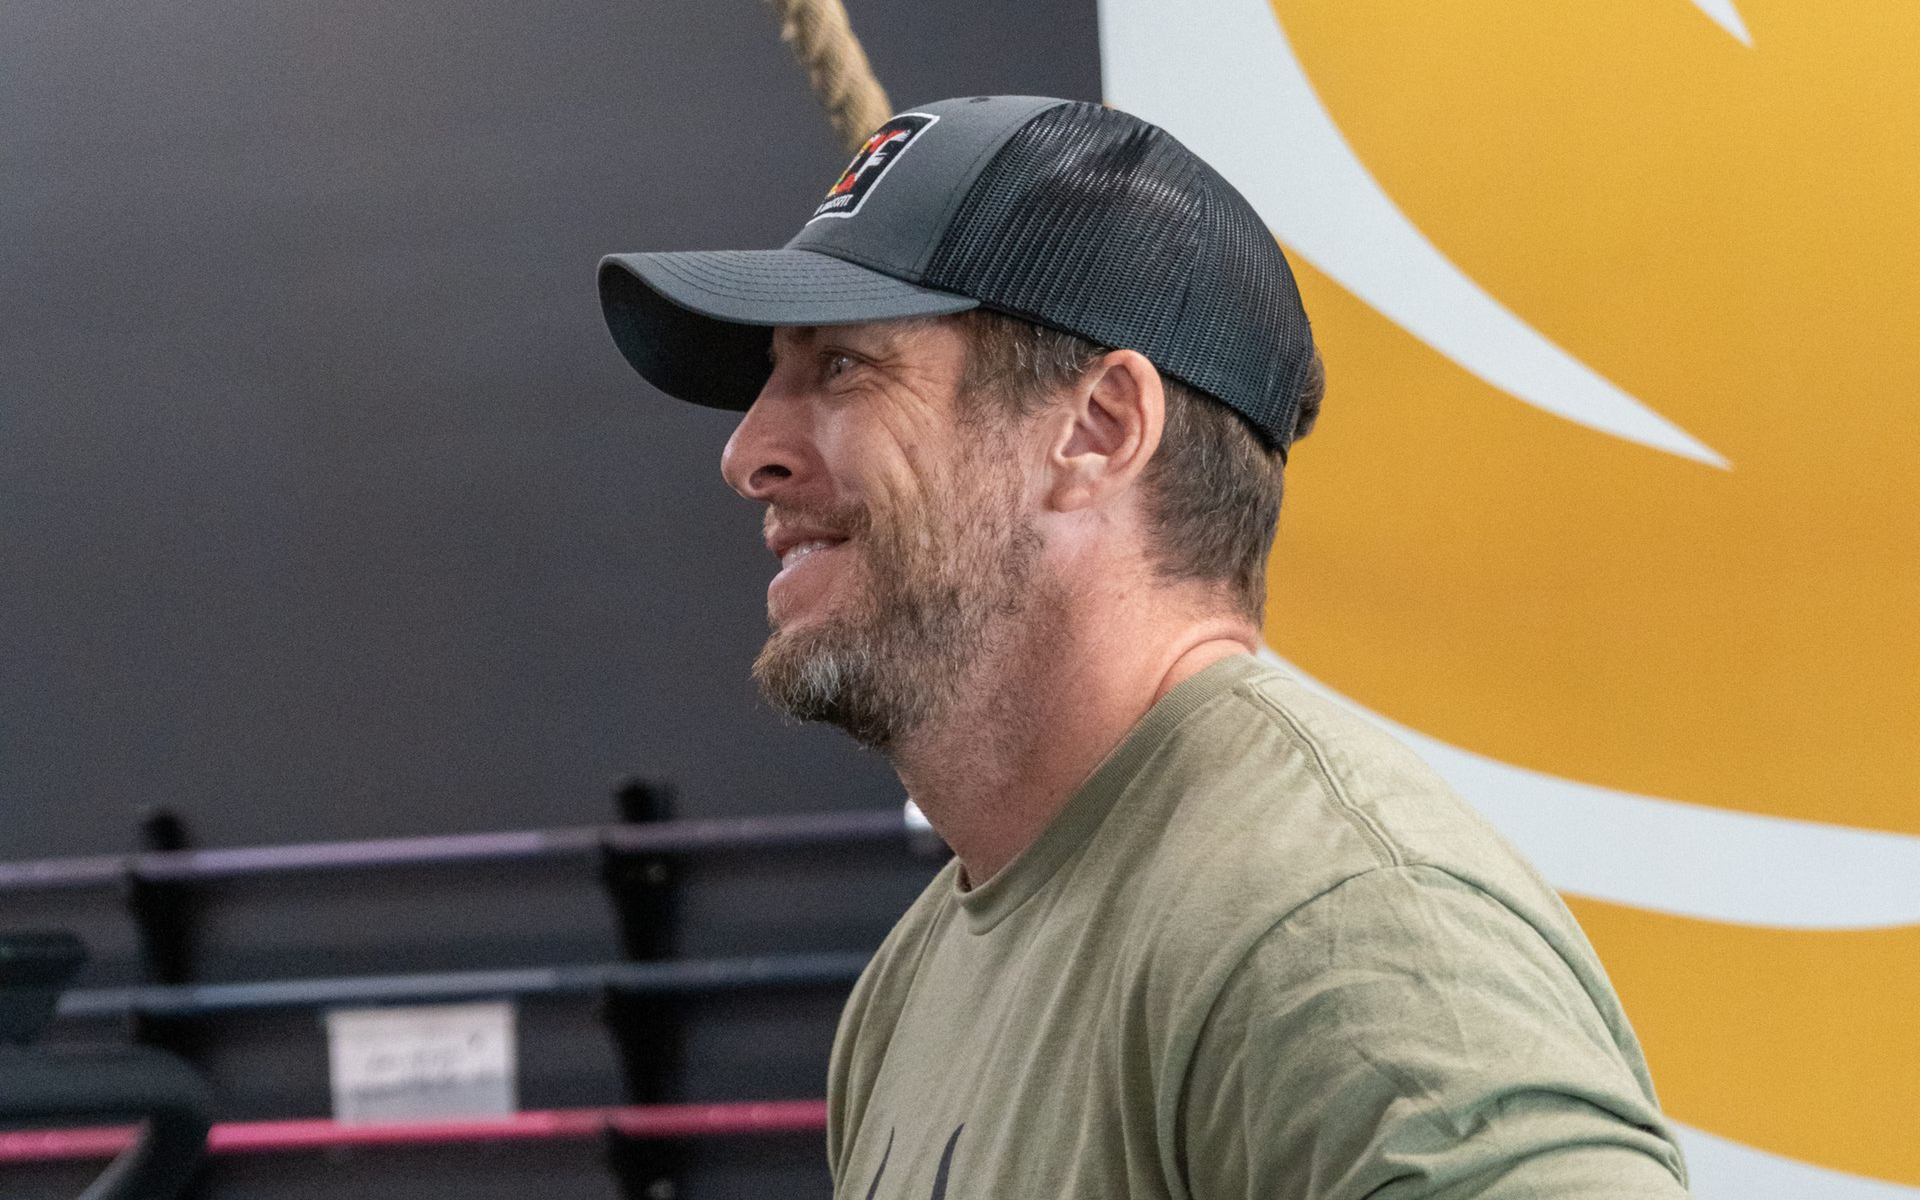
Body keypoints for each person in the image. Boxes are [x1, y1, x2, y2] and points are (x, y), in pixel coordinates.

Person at [598, 96, 1691, 1199]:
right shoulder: (912, 988)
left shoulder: (1337, 928)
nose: (749, 453)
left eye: (841, 368)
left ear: (1099, 429)